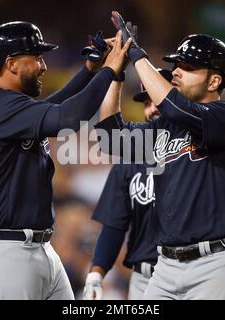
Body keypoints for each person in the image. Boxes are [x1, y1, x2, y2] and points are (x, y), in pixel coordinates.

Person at [0, 21, 131, 300]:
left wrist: (90, 70)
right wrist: (110, 69)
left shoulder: (6, 105)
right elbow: (68, 119)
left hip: (37, 248)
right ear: (11, 64)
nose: (44, 66)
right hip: (1, 251)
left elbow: (56, 108)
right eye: (36, 58)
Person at [94, 12, 225, 300]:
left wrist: (137, 55)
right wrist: (116, 73)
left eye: (188, 67)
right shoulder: (165, 125)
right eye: (176, 65)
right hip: (165, 267)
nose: (176, 71)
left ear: (214, 80)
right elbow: (109, 136)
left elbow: (174, 107)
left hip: (215, 265)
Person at [83, 69, 173, 300]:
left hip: (188, 271)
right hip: (144, 278)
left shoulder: (194, 154)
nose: (151, 109)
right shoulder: (130, 161)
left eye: (157, 102)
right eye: (146, 103)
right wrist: (96, 272)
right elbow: (115, 224)